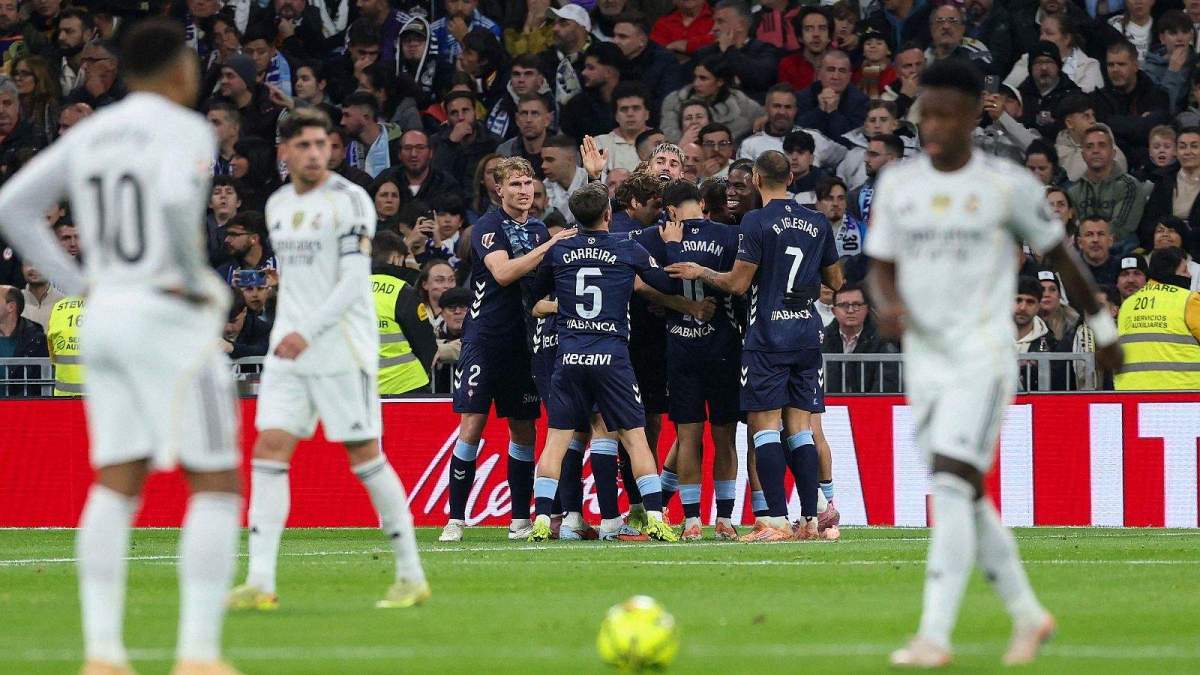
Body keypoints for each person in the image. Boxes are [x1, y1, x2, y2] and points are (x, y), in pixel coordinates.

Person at [0, 20, 246, 673]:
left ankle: (103, 652)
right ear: (175, 72)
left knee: (117, 479)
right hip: (168, 315)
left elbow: (14, 207)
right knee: (216, 481)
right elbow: (168, 207)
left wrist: (80, 281)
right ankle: (197, 652)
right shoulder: (187, 130)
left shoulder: (93, 132)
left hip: (106, 315)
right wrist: (197, 284)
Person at [865, 59, 1120, 668]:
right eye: (924, 111)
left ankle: (934, 636)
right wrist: (888, 305)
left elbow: (1063, 258)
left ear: (975, 114)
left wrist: (1105, 327)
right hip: (925, 361)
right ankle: (1029, 615)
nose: (931, 123)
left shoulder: (1007, 185)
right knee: (964, 492)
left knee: (951, 481)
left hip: (983, 354)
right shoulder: (899, 185)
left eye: (944, 112)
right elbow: (880, 265)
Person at [228, 108, 429, 613]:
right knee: (269, 450)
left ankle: (410, 574)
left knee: (364, 455)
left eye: (323, 144)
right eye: (305, 145)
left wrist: (304, 331)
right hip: (290, 350)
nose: (316, 153)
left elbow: (351, 282)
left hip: (340, 347)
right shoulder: (275, 205)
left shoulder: (349, 200)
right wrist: (289, 328)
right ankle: (260, 581)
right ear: (285, 151)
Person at [668, 150, 843, 543]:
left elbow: (737, 284)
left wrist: (700, 271)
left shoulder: (757, 220)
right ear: (793, 179)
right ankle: (809, 520)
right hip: (806, 334)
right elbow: (836, 279)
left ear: (759, 181)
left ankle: (775, 521)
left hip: (767, 336)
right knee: (799, 430)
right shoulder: (816, 222)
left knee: (764, 429)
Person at [526, 181, 678, 543]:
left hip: (570, 355)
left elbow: (534, 297)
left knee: (555, 443)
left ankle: (544, 521)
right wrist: (670, 245)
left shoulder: (559, 252)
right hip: (611, 356)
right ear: (609, 214)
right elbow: (666, 284)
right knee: (636, 439)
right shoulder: (627, 248)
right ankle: (656, 518)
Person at [440, 157, 577, 542]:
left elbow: (537, 290)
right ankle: (455, 518)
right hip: (484, 340)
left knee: (523, 429)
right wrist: (551, 244)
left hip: (523, 342)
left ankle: (519, 518)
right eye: (515, 184)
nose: (523, 190)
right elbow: (503, 273)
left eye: (528, 182)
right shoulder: (488, 227)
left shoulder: (535, 229)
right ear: (499, 189)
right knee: (473, 424)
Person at [631, 179, 741, 540]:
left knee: (689, 435)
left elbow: (635, 281)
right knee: (725, 437)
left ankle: (692, 521)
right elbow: (741, 283)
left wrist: (674, 302)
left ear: (672, 209)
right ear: (700, 204)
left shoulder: (654, 237)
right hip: (724, 345)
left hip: (680, 348)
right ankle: (724, 518)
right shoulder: (728, 236)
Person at [1115, 247, 1200, 390]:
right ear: (1172, 273)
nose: (1190, 275)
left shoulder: (1128, 305)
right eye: (1184, 270)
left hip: (1131, 394)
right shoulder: (1189, 300)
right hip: (1183, 395)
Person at [371, 230, 437, 394]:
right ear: (396, 258)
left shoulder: (348, 290)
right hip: (407, 385)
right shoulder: (402, 291)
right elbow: (425, 341)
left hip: (362, 388)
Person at [1066, 126, 1144, 251]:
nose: (1095, 151)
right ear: (1083, 155)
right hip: (1082, 251)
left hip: (1120, 251)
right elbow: (1069, 228)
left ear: (1113, 153)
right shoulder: (1073, 190)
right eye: (1089, 146)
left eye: (1101, 145)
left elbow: (1121, 229)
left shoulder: (1129, 186)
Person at [691, 0, 779, 103]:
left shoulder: (764, 50)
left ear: (741, 25)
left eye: (720, 22)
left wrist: (729, 50)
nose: (714, 28)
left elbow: (761, 80)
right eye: (714, 22)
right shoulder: (703, 54)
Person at [821, 283, 900, 393]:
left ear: (867, 309)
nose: (850, 310)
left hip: (872, 406)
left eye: (857, 305)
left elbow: (888, 381)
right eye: (843, 305)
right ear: (834, 311)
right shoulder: (821, 339)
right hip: (830, 407)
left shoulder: (883, 339)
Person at [1140, 127, 1200, 250]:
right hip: (1164, 247)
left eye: (1194, 146)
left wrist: (1183, 235)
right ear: (1176, 152)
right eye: (1182, 147)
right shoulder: (1163, 180)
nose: (1188, 152)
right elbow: (1148, 222)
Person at [795, 50, 869, 140]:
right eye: (830, 70)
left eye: (842, 71)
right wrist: (820, 111)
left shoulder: (861, 102)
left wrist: (833, 113)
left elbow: (852, 140)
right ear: (819, 73)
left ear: (849, 76)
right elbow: (798, 133)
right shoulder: (803, 97)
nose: (835, 76)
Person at [778, 6, 831, 91]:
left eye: (822, 28)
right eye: (808, 29)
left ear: (829, 36)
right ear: (800, 37)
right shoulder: (788, 65)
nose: (816, 34)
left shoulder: (841, 64)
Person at [650, 0, 715, 62]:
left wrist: (686, 45)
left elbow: (719, 41)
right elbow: (655, 54)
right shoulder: (663, 23)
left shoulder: (718, 17)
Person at [1075, 215, 1122, 286]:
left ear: (1110, 241)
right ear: (1080, 243)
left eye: (1101, 234)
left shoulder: (1122, 269)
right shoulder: (1069, 270)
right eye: (1089, 235)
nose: (1095, 240)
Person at [19, 261, 63, 331]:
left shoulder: (64, 302)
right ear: (22, 268)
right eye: (29, 263)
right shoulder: (13, 301)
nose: (34, 268)